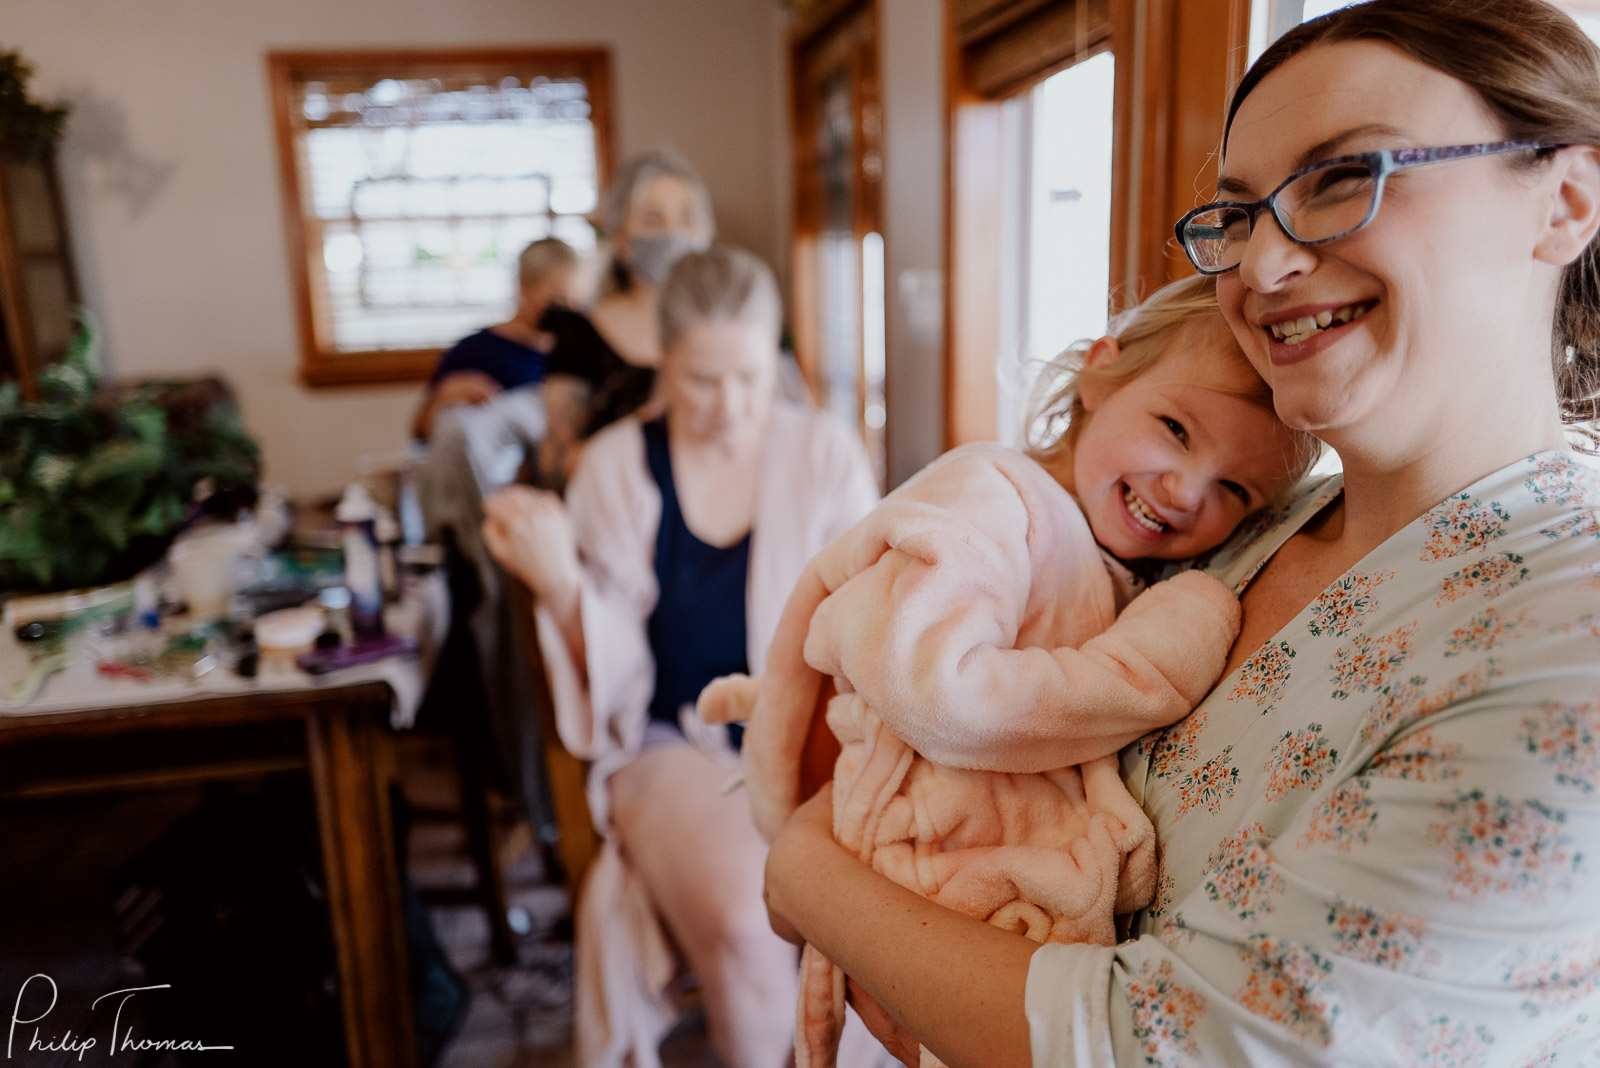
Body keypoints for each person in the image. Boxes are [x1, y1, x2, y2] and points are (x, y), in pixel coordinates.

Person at [760, 1, 1600, 1064]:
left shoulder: (1562, 642)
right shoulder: (1245, 533)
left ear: (1566, 200)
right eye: (1239, 215)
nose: (1264, 265)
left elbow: (1168, 1045)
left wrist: (808, 874)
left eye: (1343, 176)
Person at [702, 274, 1314, 1068]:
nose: (1185, 490)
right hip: (918, 871)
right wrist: (1146, 668)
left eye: (1235, 488)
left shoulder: (1113, 559)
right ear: (1100, 372)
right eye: (1175, 429)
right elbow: (939, 694)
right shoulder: (992, 495)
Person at [481, 245, 881, 1068]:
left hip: (814, 736)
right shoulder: (618, 467)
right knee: (744, 920)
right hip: (670, 739)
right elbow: (614, 657)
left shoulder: (826, 452)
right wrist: (561, 587)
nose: (731, 405)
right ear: (663, 358)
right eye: (702, 379)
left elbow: (865, 621)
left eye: (750, 375)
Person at [538, 151, 716, 487]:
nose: (673, 233)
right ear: (621, 238)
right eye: (653, 220)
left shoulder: (731, 329)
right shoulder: (579, 336)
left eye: (686, 218)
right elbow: (555, 466)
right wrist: (645, 428)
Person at [411, 237, 578, 441]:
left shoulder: (578, 352)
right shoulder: (475, 351)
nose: (567, 307)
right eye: (558, 295)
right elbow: (419, 431)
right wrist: (444, 398)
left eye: (573, 298)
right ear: (524, 286)